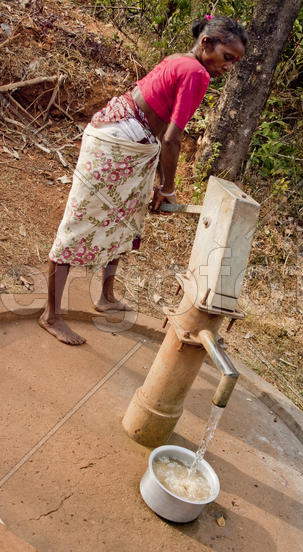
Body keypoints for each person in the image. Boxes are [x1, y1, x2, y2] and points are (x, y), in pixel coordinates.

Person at [39, 15, 247, 345]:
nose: (228, 67)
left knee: (127, 219)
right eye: (227, 57)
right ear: (206, 43)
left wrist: (160, 180)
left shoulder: (180, 61)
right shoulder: (196, 73)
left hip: (132, 141)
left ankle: (106, 295)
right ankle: (51, 314)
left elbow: (160, 129)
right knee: (78, 224)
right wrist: (168, 187)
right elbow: (171, 139)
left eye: (234, 61)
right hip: (118, 142)